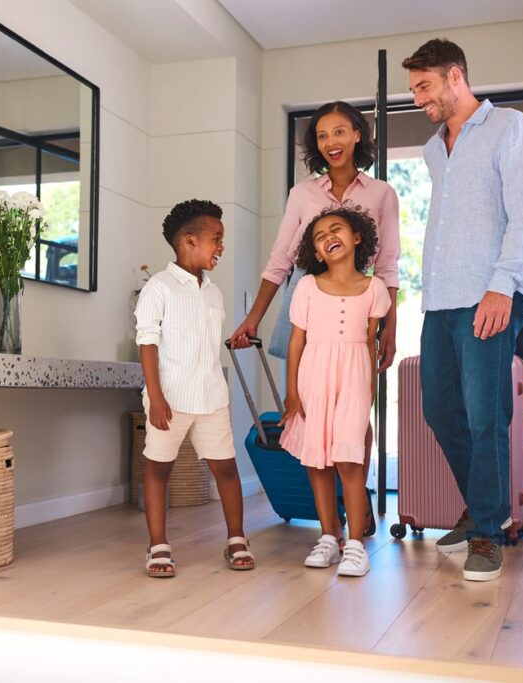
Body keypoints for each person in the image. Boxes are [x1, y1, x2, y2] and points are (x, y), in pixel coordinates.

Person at [403, 38, 523, 581]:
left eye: (424, 87)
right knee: (439, 410)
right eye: (414, 89)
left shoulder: (511, 128)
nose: (417, 99)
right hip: (440, 298)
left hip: (490, 292)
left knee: (487, 416)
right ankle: (487, 508)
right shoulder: (435, 149)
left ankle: (487, 530)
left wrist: (502, 286)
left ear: (455, 76)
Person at [229, 101, 401, 542]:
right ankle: (328, 523)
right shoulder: (302, 194)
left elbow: (387, 265)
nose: (331, 143)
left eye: (340, 132)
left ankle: (354, 496)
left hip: (360, 307)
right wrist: (253, 318)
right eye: (322, 136)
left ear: (357, 135)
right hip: (308, 301)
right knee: (308, 409)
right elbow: (281, 259)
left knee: (354, 412)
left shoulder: (382, 194)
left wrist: (390, 330)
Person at [134, 199, 256, 578]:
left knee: (227, 469)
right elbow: (148, 342)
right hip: (169, 399)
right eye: (215, 239)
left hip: (212, 397)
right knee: (159, 469)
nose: (221, 246)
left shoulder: (213, 292)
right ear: (189, 240)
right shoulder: (159, 287)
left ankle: (236, 538)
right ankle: (158, 545)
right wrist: (155, 396)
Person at [279, 207, 391, 577]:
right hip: (315, 378)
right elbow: (297, 342)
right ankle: (330, 536)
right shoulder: (308, 287)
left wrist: (370, 390)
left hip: (354, 378)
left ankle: (356, 544)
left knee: (349, 459)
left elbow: (371, 341)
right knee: (317, 460)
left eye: (336, 229)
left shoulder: (374, 288)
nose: (328, 236)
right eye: (319, 236)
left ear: (357, 237)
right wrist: (292, 391)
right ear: (316, 253)